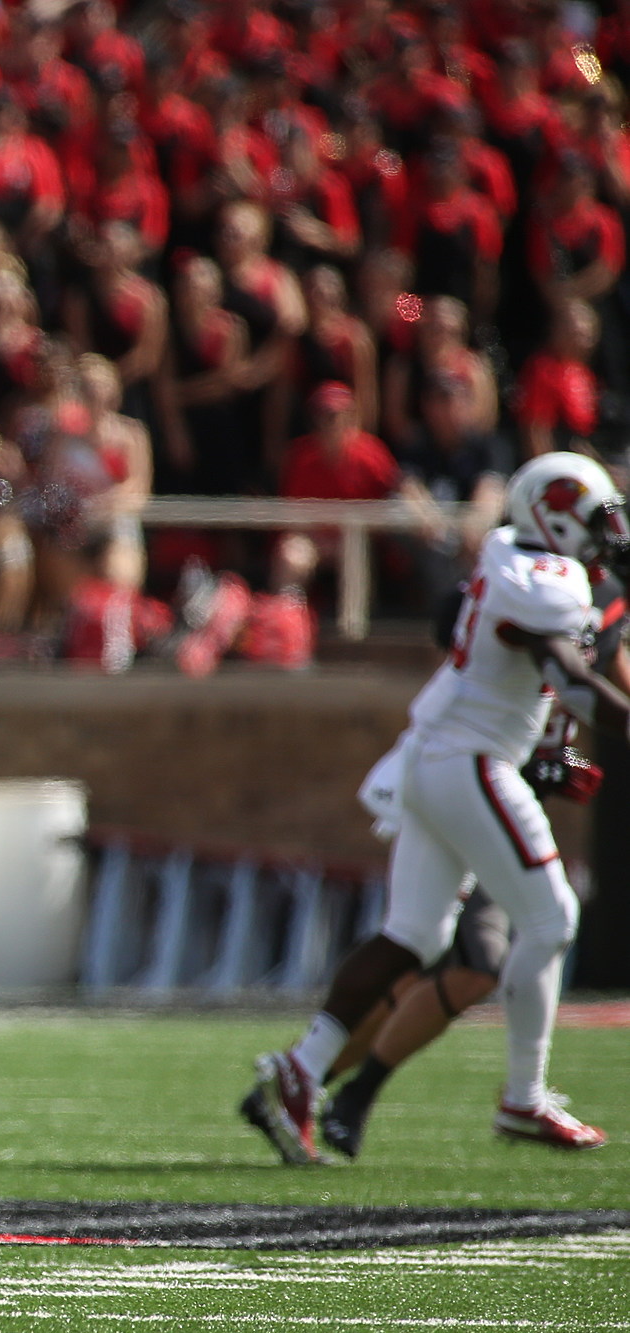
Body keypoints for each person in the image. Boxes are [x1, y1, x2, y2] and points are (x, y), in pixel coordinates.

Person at [238, 453, 630, 1163]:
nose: (605, 537)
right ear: (555, 512)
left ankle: (302, 1070)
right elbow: (569, 682)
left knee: (413, 936)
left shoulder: (514, 554)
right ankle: (523, 1097)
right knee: (552, 918)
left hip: (441, 756)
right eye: (595, 521)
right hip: (469, 761)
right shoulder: (544, 583)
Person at [318, 564, 630, 1158]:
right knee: (453, 957)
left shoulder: (604, 604)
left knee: (443, 958)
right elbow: (475, 658)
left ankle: (321, 1087)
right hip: (469, 781)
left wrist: (558, 759)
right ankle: (323, 1087)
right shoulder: (522, 579)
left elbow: (564, 715)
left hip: (494, 788)